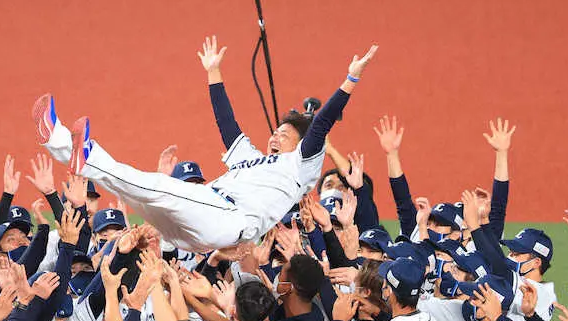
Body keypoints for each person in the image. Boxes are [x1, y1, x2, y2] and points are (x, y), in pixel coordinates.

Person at [34, 37, 378, 252]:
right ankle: (57, 140)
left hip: (226, 219)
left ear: (299, 145)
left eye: (283, 135)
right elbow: (227, 125)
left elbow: (321, 125)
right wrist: (214, 73)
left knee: (159, 186)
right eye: (274, 132)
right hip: (195, 228)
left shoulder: (300, 166)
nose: (274, 137)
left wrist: (351, 79)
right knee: (135, 193)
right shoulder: (252, 158)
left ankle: (86, 156)